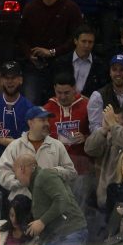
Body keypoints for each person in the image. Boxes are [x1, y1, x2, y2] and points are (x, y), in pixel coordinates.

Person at [0, 61, 33, 225]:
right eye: (6, 78)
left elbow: (28, 143)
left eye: (14, 77)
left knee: (17, 217)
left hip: (16, 170)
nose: (10, 81)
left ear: (21, 80)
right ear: (1, 80)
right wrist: (7, 141)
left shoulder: (28, 108)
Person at [17, 0, 83, 105]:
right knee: (31, 106)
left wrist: (53, 52)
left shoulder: (70, 8)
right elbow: (21, 37)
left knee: (62, 104)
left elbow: (75, 38)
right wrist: (30, 54)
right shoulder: (30, 8)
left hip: (62, 66)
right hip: (35, 66)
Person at [0, 105, 77, 201]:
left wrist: (54, 172)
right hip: (21, 202)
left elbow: (71, 172)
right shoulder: (15, 146)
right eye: (42, 120)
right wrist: (20, 181)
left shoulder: (57, 145)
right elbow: (2, 171)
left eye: (47, 120)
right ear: (30, 123)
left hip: (49, 203)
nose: (47, 123)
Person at [13, 153, 87, 245]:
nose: (15, 177)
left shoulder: (44, 175)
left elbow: (62, 200)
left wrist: (42, 221)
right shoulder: (36, 183)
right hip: (54, 236)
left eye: (15, 172)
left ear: (22, 169)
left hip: (68, 233)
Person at [43, 71, 92, 207]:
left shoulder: (87, 105)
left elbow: (99, 133)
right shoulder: (47, 109)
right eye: (59, 92)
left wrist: (86, 137)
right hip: (55, 167)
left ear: (74, 89)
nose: (62, 97)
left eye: (67, 92)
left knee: (78, 207)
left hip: (81, 167)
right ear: (54, 89)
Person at [87, 53, 123, 133]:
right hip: (107, 142)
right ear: (110, 72)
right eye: (114, 69)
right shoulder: (97, 96)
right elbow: (94, 128)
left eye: (122, 69)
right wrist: (109, 130)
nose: (118, 73)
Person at [53, 25, 108, 98]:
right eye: (83, 41)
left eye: (90, 42)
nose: (87, 45)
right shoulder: (61, 62)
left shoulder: (100, 64)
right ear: (75, 41)